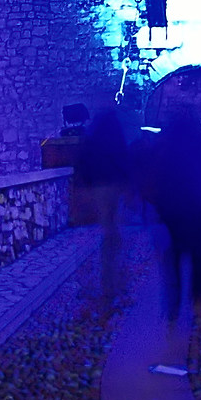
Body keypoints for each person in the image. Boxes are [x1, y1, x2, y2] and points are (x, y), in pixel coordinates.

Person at [149, 107, 201, 323]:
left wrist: (158, 206)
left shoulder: (163, 146)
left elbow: (155, 178)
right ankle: (200, 303)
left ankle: (173, 304)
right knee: (200, 258)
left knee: (174, 257)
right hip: (197, 210)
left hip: (172, 212)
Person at [72, 105, 131, 303]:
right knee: (114, 233)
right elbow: (123, 157)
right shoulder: (115, 134)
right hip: (114, 185)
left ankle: (109, 284)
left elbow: (82, 163)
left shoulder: (92, 138)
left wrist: (85, 185)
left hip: (99, 187)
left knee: (109, 232)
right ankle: (114, 282)